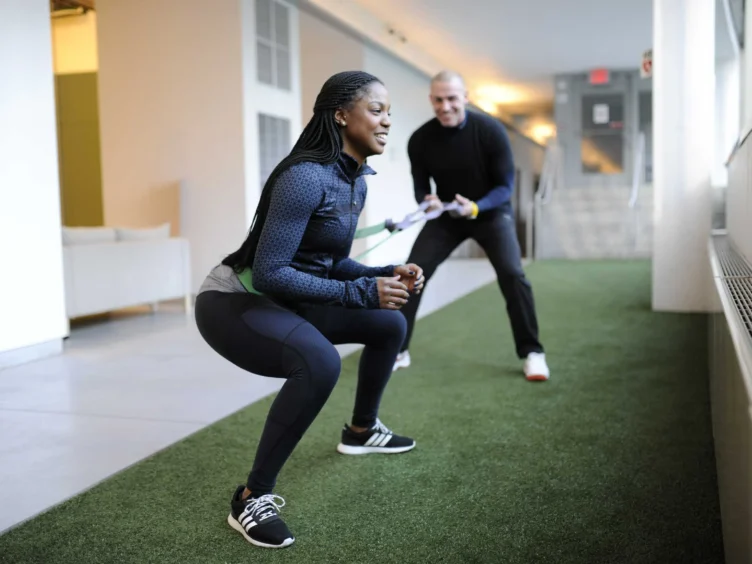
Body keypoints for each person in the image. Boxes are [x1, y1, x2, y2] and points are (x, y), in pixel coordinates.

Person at [194, 71, 425, 549]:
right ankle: (250, 497)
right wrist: (363, 292)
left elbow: (327, 261)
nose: (386, 122)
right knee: (320, 362)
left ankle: (362, 430)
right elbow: (272, 270)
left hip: (289, 297)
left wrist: (384, 271)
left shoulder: (355, 180)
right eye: (377, 110)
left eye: (389, 114)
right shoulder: (304, 177)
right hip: (235, 300)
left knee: (389, 324)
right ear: (341, 115)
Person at [393, 70, 550, 382]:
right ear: (431, 100)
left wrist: (477, 207)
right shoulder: (420, 140)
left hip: (490, 214)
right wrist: (429, 202)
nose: (445, 106)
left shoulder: (490, 131)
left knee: (512, 274)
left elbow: (506, 186)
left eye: (452, 98)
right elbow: (420, 188)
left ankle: (532, 353)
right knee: (412, 273)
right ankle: (398, 350)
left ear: (465, 98)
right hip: (448, 218)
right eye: (438, 99)